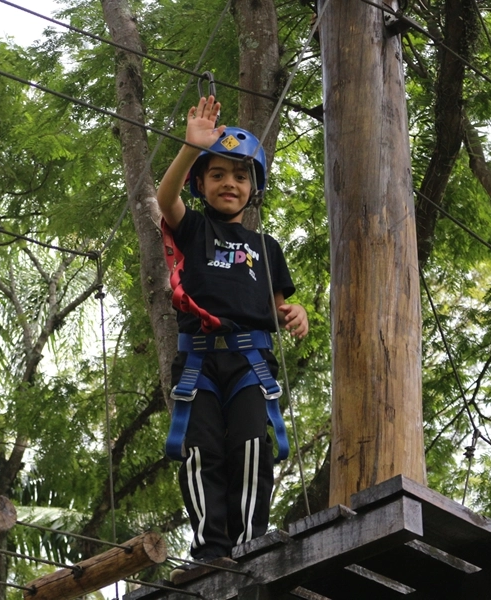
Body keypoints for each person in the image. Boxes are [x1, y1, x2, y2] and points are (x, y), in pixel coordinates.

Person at [157, 96, 308, 564]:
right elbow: (164, 198)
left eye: (241, 176)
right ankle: (211, 550)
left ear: (253, 187)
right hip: (199, 361)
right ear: (200, 183)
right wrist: (190, 147)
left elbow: (279, 306)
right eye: (218, 174)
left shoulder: (268, 247)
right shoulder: (195, 229)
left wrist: (295, 312)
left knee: (249, 449)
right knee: (202, 452)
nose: (230, 184)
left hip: (249, 362)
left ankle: (247, 546)